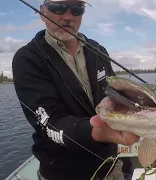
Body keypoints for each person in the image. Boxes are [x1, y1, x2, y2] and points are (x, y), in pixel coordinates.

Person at [12, 0, 139, 179]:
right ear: (42, 12)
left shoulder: (98, 50)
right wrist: (97, 132)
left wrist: (137, 110)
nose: (68, 16)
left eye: (77, 9)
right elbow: (50, 121)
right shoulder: (27, 59)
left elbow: (114, 94)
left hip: (110, 166)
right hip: (62, 173)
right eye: (58, 7)